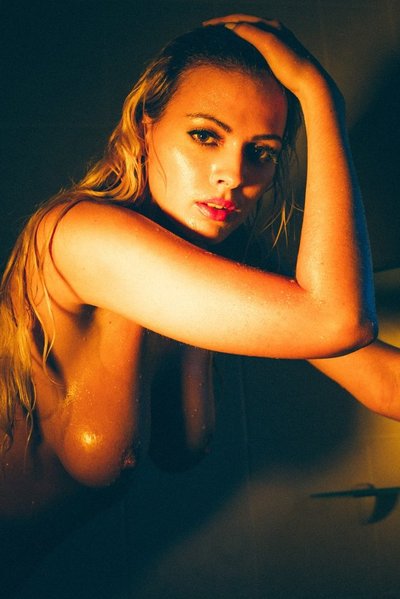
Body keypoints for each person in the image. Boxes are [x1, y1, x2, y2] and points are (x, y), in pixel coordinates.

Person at [0, 13, 379, 511]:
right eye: (205, 136)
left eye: (262, 152)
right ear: (146, 127)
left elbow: (385, 382)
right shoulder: (79, 237)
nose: (234, 174)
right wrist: (320, 96)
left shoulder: (222, 264)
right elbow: (340, 320)